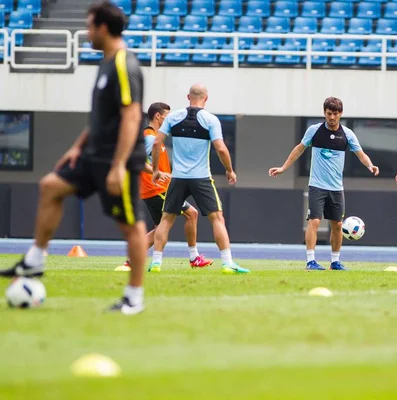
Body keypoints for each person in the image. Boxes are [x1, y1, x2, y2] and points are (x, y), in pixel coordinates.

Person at [0, 1, 148, 314]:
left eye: (90, 25)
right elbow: (100, 118)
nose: (86, 31)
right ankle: (35, 261)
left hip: (114, 159)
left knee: (130, 225)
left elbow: (132, 117)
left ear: (103, 28)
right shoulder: (106, 63)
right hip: (93, 154)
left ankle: (134, 297)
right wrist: (78, 146)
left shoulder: (124, 64)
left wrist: (119, 165)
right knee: (51, 186)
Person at [148, 84, 248, 274]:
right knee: (217, 219)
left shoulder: (173, 117)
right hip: (201, 178)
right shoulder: (210, 119)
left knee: (166, 220)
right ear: (206, 98)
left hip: (178, 178)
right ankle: (227, 263)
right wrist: (229, 170)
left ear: (188, 97)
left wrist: (155, 170)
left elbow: (157, 142)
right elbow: (220, 148)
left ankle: (156, 263)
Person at [269, 97, 379, 270]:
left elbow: (360, 153)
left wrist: (370, 165)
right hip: (317, 186)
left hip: (336, 188)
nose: (332, 117)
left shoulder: (347, 134)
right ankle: (310, 261)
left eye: (335, 114)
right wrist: (284, 167)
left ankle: (335, 261)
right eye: (329, 114)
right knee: (314, 222)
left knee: (337, 225)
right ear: (324, 113)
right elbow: (299, 149)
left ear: (341, 114)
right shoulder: (314, 131)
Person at [116, 102, 213, 271]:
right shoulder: (150, 137)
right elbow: (135, 160)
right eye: (166, 116)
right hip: (156, 190)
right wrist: (157, 173)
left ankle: (130, 261)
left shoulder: (156, 137)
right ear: (158, 116)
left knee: (158, 230)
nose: (170, 120)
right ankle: (194, 257)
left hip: (154, 190)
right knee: (192, 214)